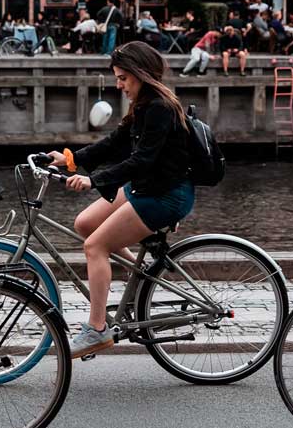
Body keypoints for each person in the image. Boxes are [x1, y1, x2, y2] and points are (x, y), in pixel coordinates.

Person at [45, 41, 196, 357]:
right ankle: (144, 275)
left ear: (141, 75)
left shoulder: (160, 109)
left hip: (165, 195)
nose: (119, 85)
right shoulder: (143, 106)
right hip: (146, 187)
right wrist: (70, 159)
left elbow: (141, 160)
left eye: (123, 78)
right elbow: (115, 144)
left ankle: (97, 329)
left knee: (95, 246)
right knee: (85, 223)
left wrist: (93, 180)